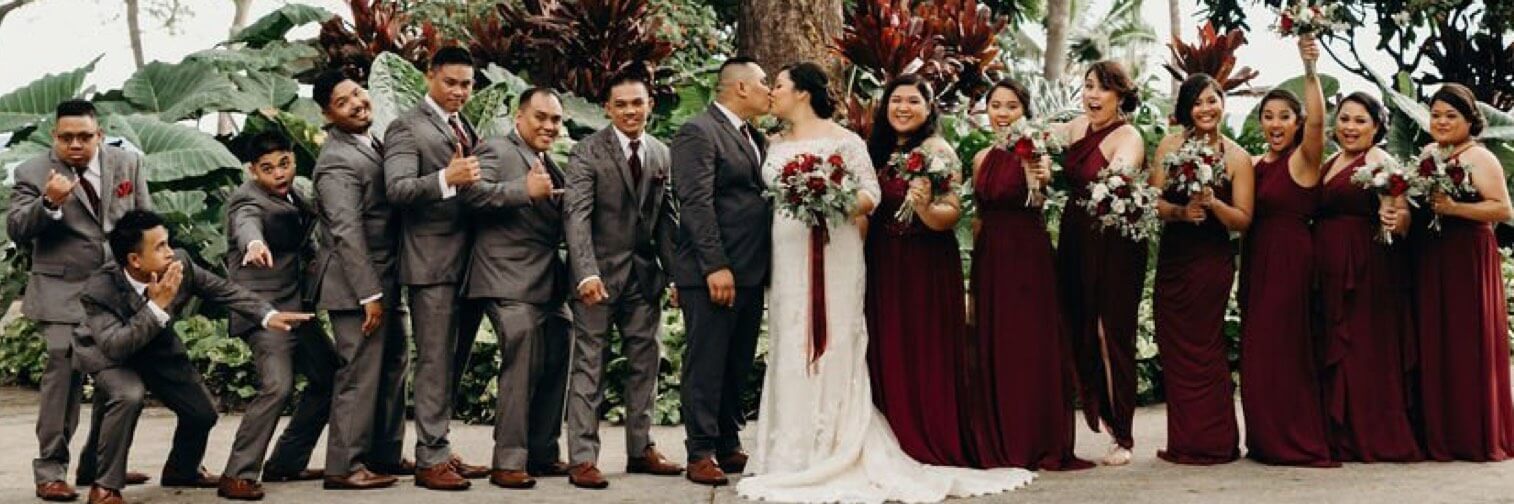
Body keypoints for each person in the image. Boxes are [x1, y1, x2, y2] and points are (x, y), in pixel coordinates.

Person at [734, 61, 1033, 503]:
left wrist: (828, 200)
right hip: (790, 256)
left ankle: (838, 442)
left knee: (839, 344)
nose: (771, 92)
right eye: (895, 99)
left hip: (847, 255)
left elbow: (870, 197)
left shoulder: (849, 142)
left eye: (777, 85)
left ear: (801, 92)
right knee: (790, 339)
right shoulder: (773, 142)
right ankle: (789, 449)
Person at [71, 210, 313, 504]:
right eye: (159, 247)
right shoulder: (98, 289)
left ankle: (182, 470)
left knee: (202, 413)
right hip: (108, 352)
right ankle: (105, 487)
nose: (170, 252)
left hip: (156, 346)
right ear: (134, 260)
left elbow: (223, 290)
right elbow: (116, 347)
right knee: (128, 395)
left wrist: (268, 314)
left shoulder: (180, 263)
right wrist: (157, 305)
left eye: (168, 243)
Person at [6, 99, 154, 501]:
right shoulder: (32, 172)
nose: (75, 144)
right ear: (54, 137)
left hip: (116, 294)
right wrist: (49, 203)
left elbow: (146, 223)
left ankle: (98, 463)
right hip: (61, 294)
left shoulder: (127, 164)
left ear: (99, 135)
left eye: (84, 137)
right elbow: (18, 228)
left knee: (115, 380)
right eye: (66, 137)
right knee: (64, 378)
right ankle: (50, 471)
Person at [561, 73, 685, 489]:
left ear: (650, 103)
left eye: (638, 103)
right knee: (589, 367)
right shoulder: (586, 152)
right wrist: (586, 273)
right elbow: (575, 216)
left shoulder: (661, 153)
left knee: (645, 366)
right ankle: (581, 457)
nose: (631, 111)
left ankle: (641, 448)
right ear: (607, 109)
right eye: (622, 104)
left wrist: (676, 276)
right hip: (596, 279)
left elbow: (667, 221)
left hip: (644, 279)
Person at [966, 79, 1094, 471]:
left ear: (1025, 112)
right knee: (995, 343)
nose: (1002, 113)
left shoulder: (1034, 150)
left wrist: (1035, 175)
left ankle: (1033, 438)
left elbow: (1038, 195)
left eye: (1011, 106)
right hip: (990, 258)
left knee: (1028, 344)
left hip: (1027, 257)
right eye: (996, 106)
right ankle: (999, 436)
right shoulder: (980, 157)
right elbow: (978, 215)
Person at [381, 45, 489, 489]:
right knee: (434, 362)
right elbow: (397, 188)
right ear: (430, 76)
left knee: (454, 361)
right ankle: (429, 460)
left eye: (467, 84)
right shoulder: (405, 127)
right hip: (430, 264)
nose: (460, 92)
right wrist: (448, 179)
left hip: (470, 264)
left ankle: (439, 444)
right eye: (451, 82)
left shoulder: (464, 125)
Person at [460, 87, 572, 490]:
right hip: (505, 275)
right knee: (521, 362)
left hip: (547, 281)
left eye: (556, 119)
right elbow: (470, 195)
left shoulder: (549, 160)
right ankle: (508, 461)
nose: (549, 125)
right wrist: (521, 191)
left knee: (560, 349)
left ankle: (542, 452)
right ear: (519, 117)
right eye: (540, 117)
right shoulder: (495, 149)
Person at [668, 56, 772, 486]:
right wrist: (716, 265)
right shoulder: (698, 131)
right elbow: (696, 203)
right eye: (764, 82)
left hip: (750, 269)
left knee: (736, 363)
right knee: (707, 362)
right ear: (741, 87)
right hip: (714, 271)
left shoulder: (755, 137)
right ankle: (701, 450)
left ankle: (728, 442)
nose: (770, 89)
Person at [218, 132, 338, 499]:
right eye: (267, 169)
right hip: (264, 309)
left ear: (293, 161)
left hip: (296, 308)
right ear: (253, 171)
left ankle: (286, 462)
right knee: (277, 387)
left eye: (284, 164)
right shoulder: (247, 200)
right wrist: (253, 243)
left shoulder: (294, 194)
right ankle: (237, 474)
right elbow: (246, 223)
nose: (278, 173)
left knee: (330, 376)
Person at [862, 74, 973, 467]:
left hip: (924, 265)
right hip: (882, 264)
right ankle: (889, 433)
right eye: (896, 100)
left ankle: (927, 437)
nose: (903, 108)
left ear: (928, 109)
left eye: (913, 101)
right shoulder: (878, 150)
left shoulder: (937, 150)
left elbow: (951, 214)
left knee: (923, 347)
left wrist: (924, 207)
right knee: (887, 345)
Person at [1239, 35, 1337, 467]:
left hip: (1290, 258)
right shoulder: (1254, 164)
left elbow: (1320, 123)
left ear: (1297, 123)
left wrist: (1310, 69)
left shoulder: (1304, 160)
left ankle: (1292, 438)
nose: (1275, 124)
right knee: (1256, 351)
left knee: (1283, 348)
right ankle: (1264, 438)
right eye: (1268, 116)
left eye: (1284, 117)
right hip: (1255, 257)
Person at [1148, 73, 1254, 465]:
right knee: (1175, 348)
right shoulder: (1169, 146)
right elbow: (1152, 201)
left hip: (1210, 260)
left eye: (1212, 100)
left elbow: (1243, 219)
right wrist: (1179, 211)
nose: (1206, 109)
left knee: (1206, 346)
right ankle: (1184, 441)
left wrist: (1212, 203)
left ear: (1223, 103)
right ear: (1186, 110)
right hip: (1175, 258)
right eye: (1197, 103)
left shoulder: (1238, 157)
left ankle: (1216, 441)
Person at [309, 70, 407, 491]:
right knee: (360, 372)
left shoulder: (372, 143)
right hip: (356, 285)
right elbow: (346, 232)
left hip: (386, 275)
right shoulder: (335, 161)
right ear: (328, 114)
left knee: (393, 365)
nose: (356, 103)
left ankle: (384, 453)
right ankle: (344, 466)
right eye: (343, 101)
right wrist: (369, 293)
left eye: (357, 93)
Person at [1051, 60, 1150, 466]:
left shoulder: (1128, 135)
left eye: (1102, 89)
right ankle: (1096, 410)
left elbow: (1121, 175)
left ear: (1121, 96)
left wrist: (1116, 179)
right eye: (1088, 86)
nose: (1092, 95)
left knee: (1111, 334)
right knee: (1076, 326)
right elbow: (1033, 138)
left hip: (1114, 241)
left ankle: (1122, 435)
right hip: (1076, 235)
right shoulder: (1076, 127)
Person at [1314, 92, 1422, 462]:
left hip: (1365, 267)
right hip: (1329, 266)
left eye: (1360, 120)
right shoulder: (1330, 161)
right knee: (1335, 347)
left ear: (1377, 126)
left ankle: (1370, 434)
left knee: (1362, 348)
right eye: (1344, 119)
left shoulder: (1381, 160)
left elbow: (1402, 211)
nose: (1350, 127)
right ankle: (1339, 432)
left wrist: (1396, 218)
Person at [1410, 83, 1514, 462]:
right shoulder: (1428, 154)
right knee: (1435, 339)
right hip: (1431, 255)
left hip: (1467, 257)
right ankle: (1439, 431)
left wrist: (1454, 209)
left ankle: (1473, 434)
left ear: (1470, 121)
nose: (1441, 122)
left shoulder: (1482, 158)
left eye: (1450, 116)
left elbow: (1503, 210)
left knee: (1465, 340)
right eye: (1436, 115)